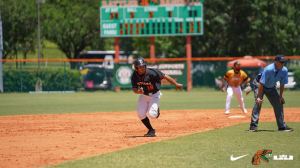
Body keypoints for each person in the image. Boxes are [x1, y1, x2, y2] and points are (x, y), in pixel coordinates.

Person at [131, 57, 183, 137]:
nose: (142, 68)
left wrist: (176, 84)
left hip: (155, 95)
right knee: (140, 114)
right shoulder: (134, 75)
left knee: (152, 114)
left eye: (143, 66)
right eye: (139, 67)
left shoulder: (152, 72)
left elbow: (165, 76)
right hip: (144, 95)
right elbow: (134, 89)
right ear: (136, 68)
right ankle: (151, 130)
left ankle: (156, 111)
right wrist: (138, 91)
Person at [249, 55, 293, 132]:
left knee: (278, 103)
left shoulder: (284, 70)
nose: (282, 64)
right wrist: (259, 97)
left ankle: (282, 126)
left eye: (283, 62)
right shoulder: (269, 69)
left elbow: (282, 84)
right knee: (258, 103)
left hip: (271, 87)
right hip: (259, 84)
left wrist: (281, 96)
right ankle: (253, 126)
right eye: (281, 62)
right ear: (276, 62)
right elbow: (261, 84)